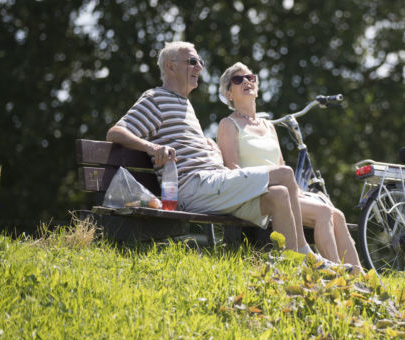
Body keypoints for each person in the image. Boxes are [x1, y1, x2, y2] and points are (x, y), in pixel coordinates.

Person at [106, 41, 318, 259]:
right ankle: (305, 253)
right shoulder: (156, 98)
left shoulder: (185, 104)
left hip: (213, 182)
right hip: (194, 186)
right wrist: (152, 147)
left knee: (279, 195)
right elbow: (115, 132)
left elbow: (186, 144)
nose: (199, 67)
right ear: (170, 67)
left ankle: (292, 266)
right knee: (284, 174)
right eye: (192, 62)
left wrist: (210, 148)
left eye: (200, 62)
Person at [217, 62, 363, 273]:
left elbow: (281, 166)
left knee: (337, 214)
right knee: (323, 212)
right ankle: (337, 278)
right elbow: (233, 169)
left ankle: (360, 276)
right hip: (260, 194)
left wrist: (297, 193)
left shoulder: (268, 126)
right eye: (238, 80)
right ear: (229, 94)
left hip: (286, 191)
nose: (246, 81)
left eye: (250, 77)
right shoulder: (228, 125)